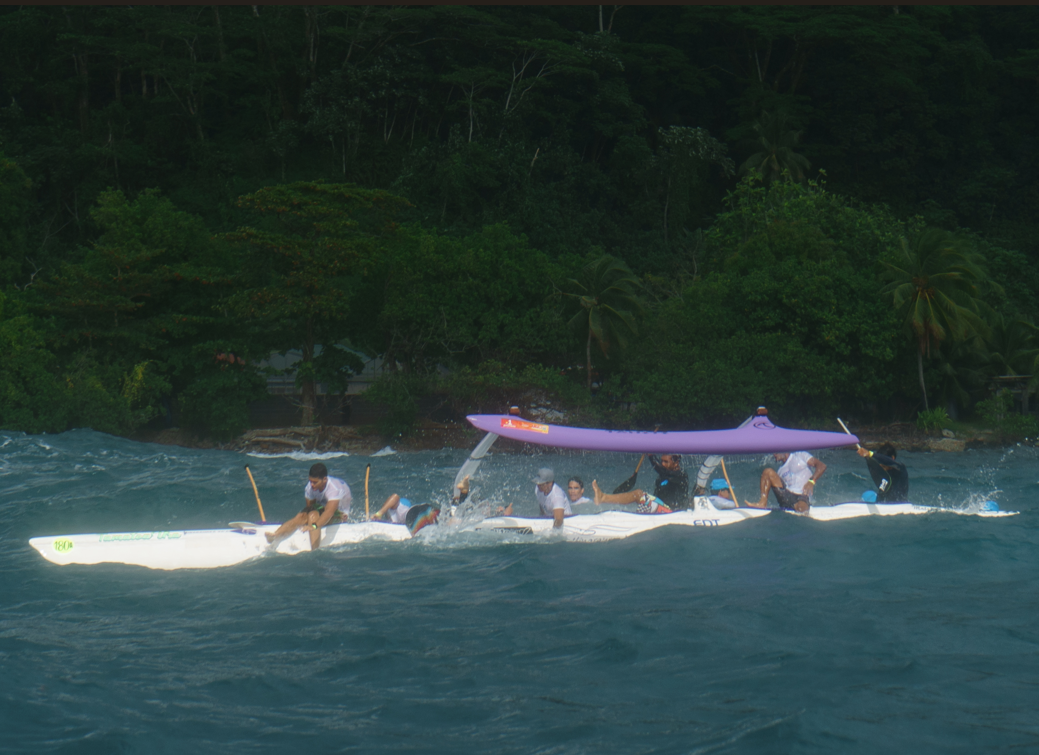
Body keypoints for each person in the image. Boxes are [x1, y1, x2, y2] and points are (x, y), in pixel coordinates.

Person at [265, 462, 351, 550]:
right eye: (310, 481)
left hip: (340, 515)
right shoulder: (310, 487)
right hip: (323, 510)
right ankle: (275, 536)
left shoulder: (334, 489)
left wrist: (313, 526)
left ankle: (315, 550)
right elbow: (309, 508)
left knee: (312, 516)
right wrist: (305, 521)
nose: (312, 485)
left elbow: (329, 512)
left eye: (315, 482)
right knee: (303, 515)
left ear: (324, 480)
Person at [746, 451, 826, 513]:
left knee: (801, 509)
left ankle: (797, 506)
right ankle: (762, 503)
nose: (774, 455)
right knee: (768, 472)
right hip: (787, 495)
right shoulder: (780, 470)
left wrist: (811, 481)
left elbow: (822, 466)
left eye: (776, 452)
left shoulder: (800, 455)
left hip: (802, 495)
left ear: (783, 449)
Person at [590, 479, 673, 514]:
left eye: (666, 462)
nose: (662, 464)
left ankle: (603, 497)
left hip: (671, 513)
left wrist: (651, 457)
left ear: (676, 463)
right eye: (662, 461)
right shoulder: (665, 474)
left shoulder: (679, 476)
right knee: (642, 503)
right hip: (663, 509)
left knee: (638, 494)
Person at [372, 494, 440, 536]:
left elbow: (395, 497)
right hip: (423, 510)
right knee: (442, 521)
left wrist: (379, 514)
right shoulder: (395, 518)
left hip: (413, 514)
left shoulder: (394, 510)